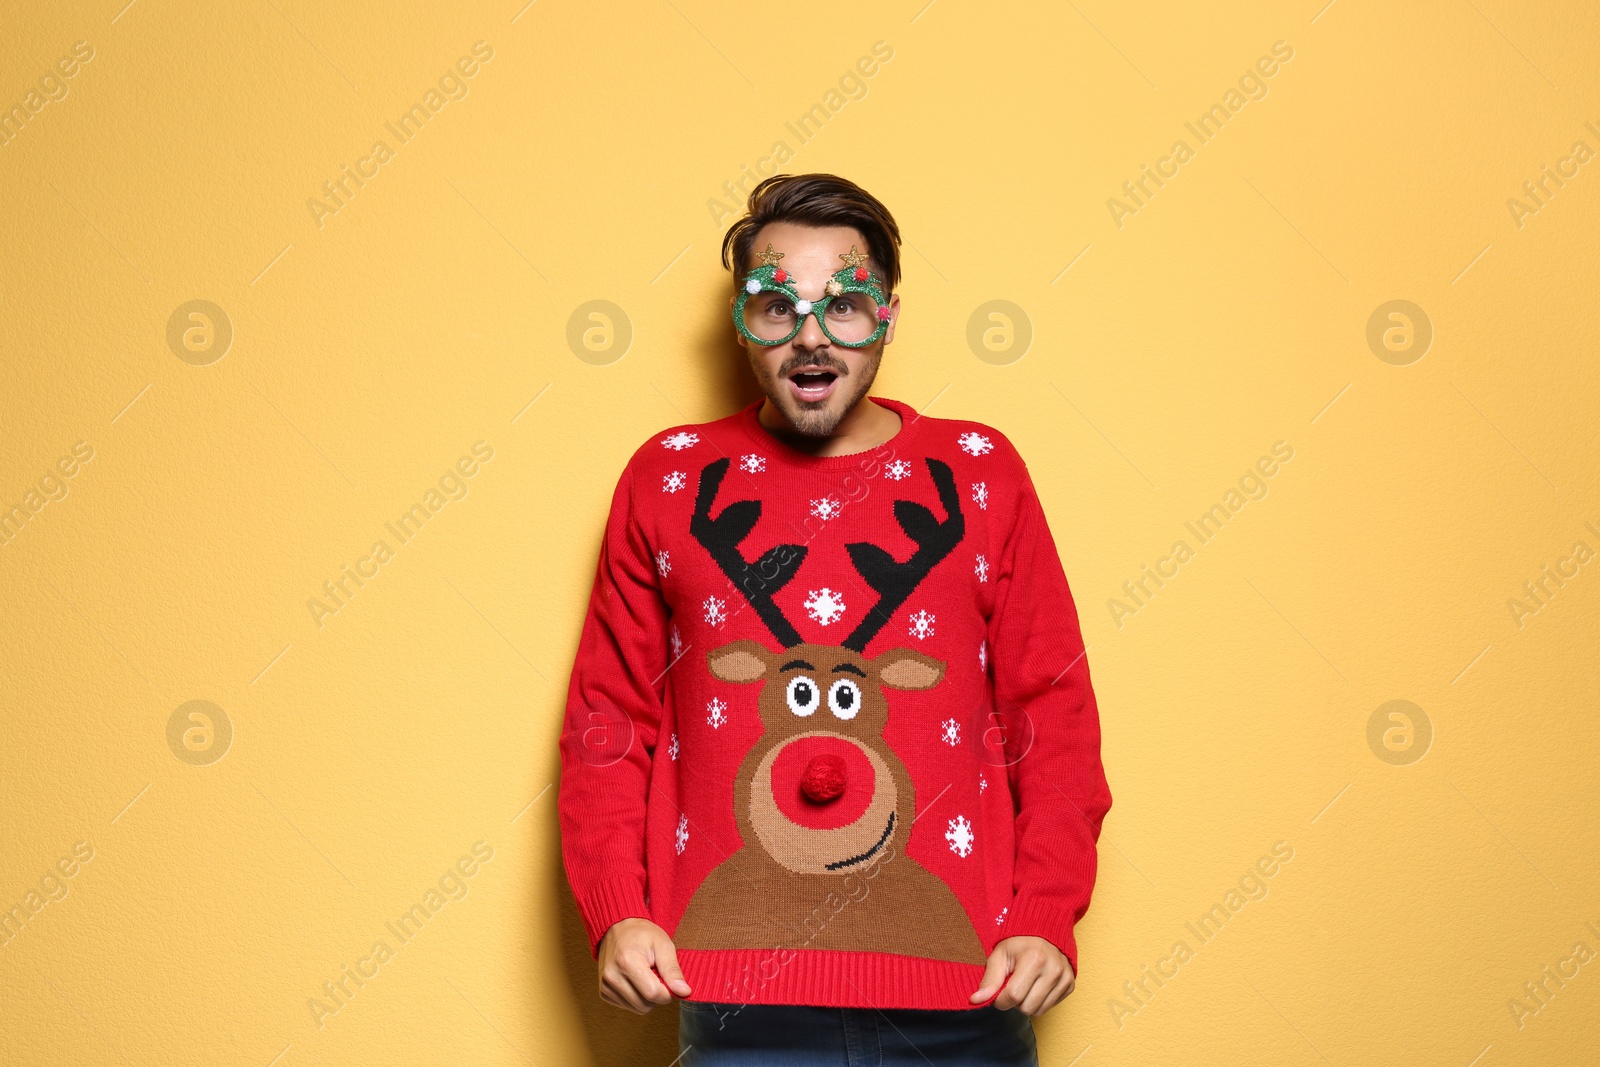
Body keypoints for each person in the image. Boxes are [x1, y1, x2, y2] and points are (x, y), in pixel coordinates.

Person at [558, 173, 1112, 1065]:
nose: (811, 337)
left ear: (888, 313)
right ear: (744, 320)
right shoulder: (667, 480)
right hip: (735, 1002)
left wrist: (1048, 913)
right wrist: (616, 907)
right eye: (776, 307)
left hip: (965, 996)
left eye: (846, 305)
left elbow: (1051, 711)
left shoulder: (981, 473)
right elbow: (608, 721)